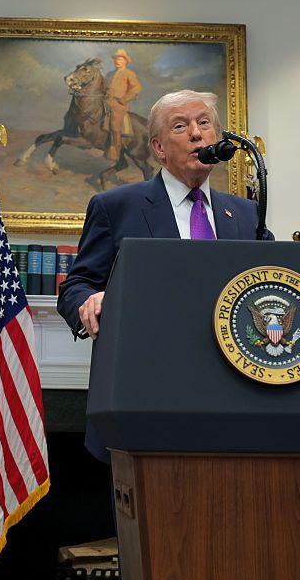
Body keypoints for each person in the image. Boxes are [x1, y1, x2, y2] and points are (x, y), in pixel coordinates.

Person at [57, 89, 272, 463]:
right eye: (181, 126)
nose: (196, 133)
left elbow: (272, 282)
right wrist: (90, 301)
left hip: (235, 402)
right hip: (146, 397)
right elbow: (76, 286)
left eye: (205, 123)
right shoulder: (116, 206)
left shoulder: (247, 214)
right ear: (158, 147)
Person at [104, 49, 142, 161]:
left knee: (115, 124)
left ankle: (115, 151)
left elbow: (137, 87)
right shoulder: (109, 74)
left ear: (126, 61)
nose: (117, 61)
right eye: (116, 59)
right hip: (106, 102)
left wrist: (124, 99)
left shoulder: (129, 73)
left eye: (120, 59)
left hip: (119, 105)